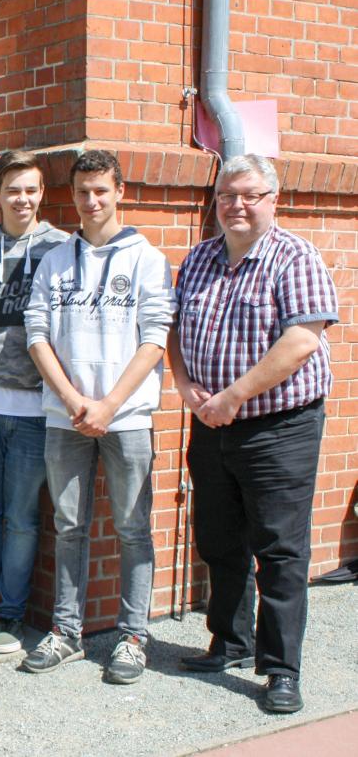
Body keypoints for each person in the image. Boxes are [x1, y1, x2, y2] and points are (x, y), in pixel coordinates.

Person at [168, 155, 338, 714]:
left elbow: (302, 340)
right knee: (219, 540)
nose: (236, 205)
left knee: (280, 550)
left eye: (249, 195)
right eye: (226, 196)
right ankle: (230, 642)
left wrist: (234, 396)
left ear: (273, 198)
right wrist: (187, 384)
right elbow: (173, 329)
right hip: (210, 424)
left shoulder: (294, 257)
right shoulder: (198, 259)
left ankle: (281, 670)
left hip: (278, 428)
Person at [21, 149, 173, 684]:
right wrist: (71, 400)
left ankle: (133, 637)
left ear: (120, 191)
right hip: (65, 418)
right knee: (68, 526)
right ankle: (66, 631)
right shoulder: (55, 259)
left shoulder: (147, 259)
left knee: (133, 527)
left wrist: (108, 405)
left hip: (126, 418)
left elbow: (156, 339)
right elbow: (36, 332)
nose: (91, 201)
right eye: (83, 192)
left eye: (101, 191)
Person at [0, 150, 69, 656]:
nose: (22, 198)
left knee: (22, 518)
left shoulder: (65, 249)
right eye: (13, 189)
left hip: (35, 407)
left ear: (42, 193)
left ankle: (12, 617)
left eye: (32, 189)